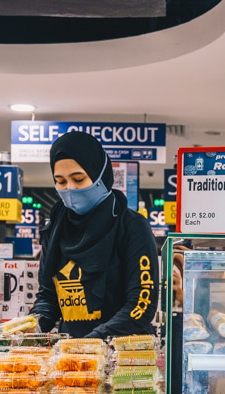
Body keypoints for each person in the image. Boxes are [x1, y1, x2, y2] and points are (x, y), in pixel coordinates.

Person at [31, 131, 158, 339]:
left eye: (78, 179)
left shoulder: (131, 226)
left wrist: (91, 342)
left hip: (125, 355)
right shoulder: (55, 228)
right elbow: (48, 297)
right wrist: (33, 324)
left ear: (100, 174)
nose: (70, 188)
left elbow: (141, 305)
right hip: (73, 356)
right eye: (60, 182)